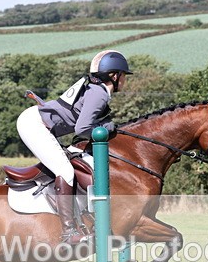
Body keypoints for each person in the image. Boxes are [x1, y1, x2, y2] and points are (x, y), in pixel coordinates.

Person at [16, 50, 132, 244]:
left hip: (38, 123)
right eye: (124, 75)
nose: (125, 80)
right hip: (34, 125)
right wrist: (106, 127)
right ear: (114, 76)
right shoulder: (99, 94)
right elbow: (82, 128)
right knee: (66, 171)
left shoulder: (96, 90)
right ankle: (69, 232)